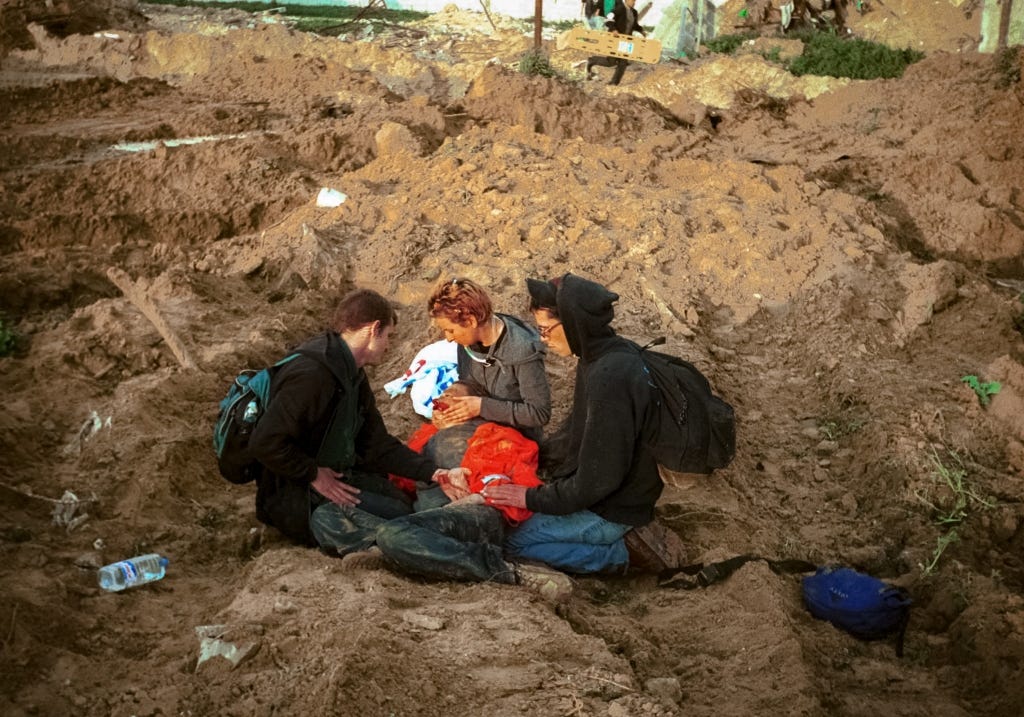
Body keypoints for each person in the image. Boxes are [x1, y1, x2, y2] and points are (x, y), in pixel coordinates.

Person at [374, 274, 682, 598]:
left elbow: (595, 481)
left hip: (613, 507)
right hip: (601, 491)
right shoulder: (600, 360)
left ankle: (618, 555)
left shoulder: (609, 380)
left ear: (574, 323)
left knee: (511, 540)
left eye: (546, 330)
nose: (543, 340)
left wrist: (530, 497)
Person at [247, 288, 449, 554]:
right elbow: (264, 442)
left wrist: (432, 472)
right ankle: (372, 546)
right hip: (292, 492)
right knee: (347, 520)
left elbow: (375, 445)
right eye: (388, 336)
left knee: (399, 506)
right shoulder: (313, 375)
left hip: (336, 475)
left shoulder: (350, 372)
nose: (389, 345)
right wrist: (312, 473)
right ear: (373, 329)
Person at [426, 277, 550, 444]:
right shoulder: (468, 340)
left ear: (471, 321)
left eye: (450, 330)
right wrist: (451, 400)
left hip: (518, 437)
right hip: (483, 421)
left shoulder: (522, 349)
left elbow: (538, 413)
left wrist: (481, 406)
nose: (448, 338)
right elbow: (470, 382)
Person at [586, 0, 646, 86]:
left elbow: (634, 25)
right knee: (611, 62)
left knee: (623, 62)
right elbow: (609, 18)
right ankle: (591, 60)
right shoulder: (619, 9)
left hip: (626, 41)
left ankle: (614, 83)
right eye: (632, 0)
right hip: (616, 39)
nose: (634, 2)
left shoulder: (634, 12)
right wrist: (613, 29)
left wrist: (641, 30)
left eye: (635, 1)